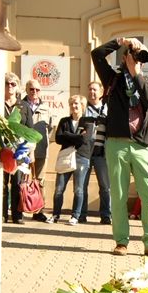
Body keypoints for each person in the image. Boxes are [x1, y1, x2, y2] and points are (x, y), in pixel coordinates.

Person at [90, 36, 148, 257]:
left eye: (141, 56)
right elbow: (96, 54)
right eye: (135, 54)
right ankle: (121, 241)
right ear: (125, 56)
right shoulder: (113, 78)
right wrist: (121, 41)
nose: (138, 59)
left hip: (142, 145)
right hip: (117, 143)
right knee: (118, 195)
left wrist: (136, 72)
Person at [48, 94, 92, 224]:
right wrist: (75, 136)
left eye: (76, 104)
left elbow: (85, 139)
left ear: (82, 106)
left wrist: (67, 134)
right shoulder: (64, 121)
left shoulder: (88, 121)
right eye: (72, 104)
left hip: (82, 157)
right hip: (65, 156)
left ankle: (75, 216)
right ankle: (55, 215)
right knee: (59, 188)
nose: (74, 106)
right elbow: (58, 138)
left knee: (79, 189)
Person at [79, 80, 111, 224]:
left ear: (101, 91)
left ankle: (105, 215)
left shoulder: (108, 109)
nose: (92, 92)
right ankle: (81, 214)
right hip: (85, 151)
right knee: (82, 185)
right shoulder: (83, 108)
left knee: (105, 186)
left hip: (102, 152)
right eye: (90, 89)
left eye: (95, 90)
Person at [22, 79, 52, 222]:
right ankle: (19, 210)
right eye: (31, 89)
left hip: (41, 149)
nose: (34, 92)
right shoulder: (19, 106)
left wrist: (44, 142)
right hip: (22, 148)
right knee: (20, 180)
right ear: (26, 90)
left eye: (37, 90)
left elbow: (50, 128)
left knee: (40, 181)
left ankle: (38, 211)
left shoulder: (46, 107)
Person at [1, 73, 26, 223]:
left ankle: (17, 215)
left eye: (13, 84)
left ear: (17, 87)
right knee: (2, 184)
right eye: (6, 83)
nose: (9, 86)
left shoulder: (24, 106)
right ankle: (2, 214)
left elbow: (30, 129)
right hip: (2, 149)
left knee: (17, 184)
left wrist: (29, 152)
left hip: (19, 150)